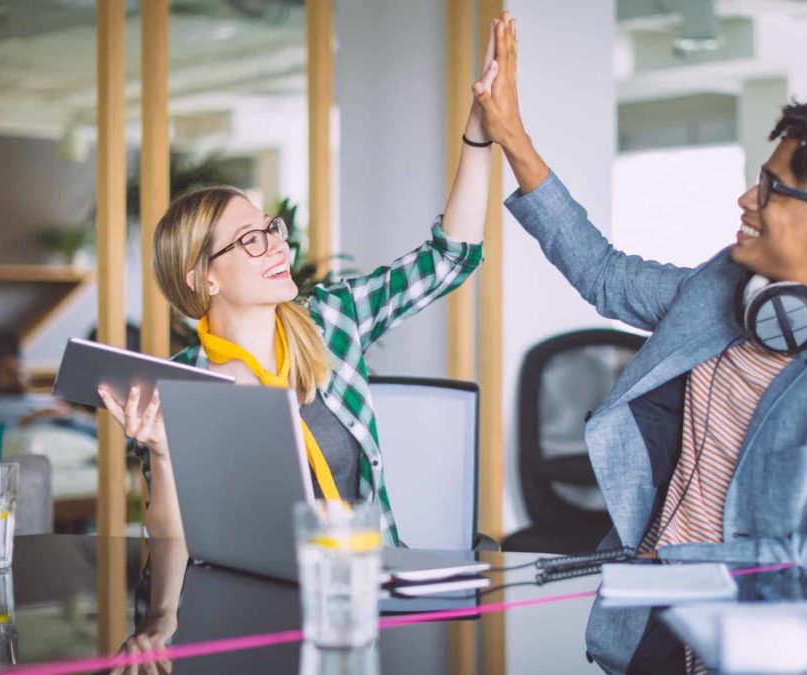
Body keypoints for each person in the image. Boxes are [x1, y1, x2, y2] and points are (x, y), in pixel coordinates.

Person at [472, 14, 807, 671]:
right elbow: (605, 274)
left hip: (766, 648)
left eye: (774, 189)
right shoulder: (725, 285)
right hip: (652, 629)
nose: (748, 198)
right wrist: (513, 137)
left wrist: (674, 560)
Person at [98, 23, 504, 544]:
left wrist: (479, 135)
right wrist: (161, 450)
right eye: (250, 240)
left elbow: (449, 261)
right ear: (203, 278)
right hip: (249, 605)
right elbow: (172, 543)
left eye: (272, 228)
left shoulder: (332, 319)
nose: (277, 246)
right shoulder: (177, 390)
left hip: (364, 583)